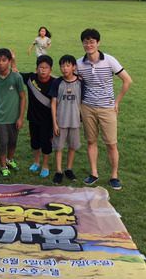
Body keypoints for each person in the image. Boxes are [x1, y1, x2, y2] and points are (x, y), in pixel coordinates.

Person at [77, 28, 132, 190]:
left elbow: (127, 81)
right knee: (91, 142)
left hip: (107, 108)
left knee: (111, 144)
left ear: (98, 43)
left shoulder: (109, 60)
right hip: (87, 107)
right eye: (86, 42)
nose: (89, 45)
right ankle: (94, 173)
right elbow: (70, 80)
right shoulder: (79, 64)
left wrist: (117, 102)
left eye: (92, 42)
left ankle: (114, 176)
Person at [12, 54, 56, 179]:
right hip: (33, 118)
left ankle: (45, 166)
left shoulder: (54, 82)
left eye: (46, 68)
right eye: (41, 67)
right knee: (35, 142)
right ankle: (36, 163)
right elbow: (16, 74)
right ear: (37, 68)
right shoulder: (31, 78)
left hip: (48, 120)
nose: (43, 70)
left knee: (46, 143)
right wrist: (13, 61)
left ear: (50, 70)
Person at [0, 48, 26, 179]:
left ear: (9, 61)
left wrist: (20, 118)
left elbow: (23, 97)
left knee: (12, 142)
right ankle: (3, 167)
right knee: (3, 142)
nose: (1, 63)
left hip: (14, 117)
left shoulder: (17, 77)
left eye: (4, 60)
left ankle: (9, 160)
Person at [49, 55, 83, 185]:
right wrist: (55, 123)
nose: (65, 68)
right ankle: (58, 171)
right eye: (62, 66)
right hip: (61, 122)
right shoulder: (57, 82)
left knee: (72, 146)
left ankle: (69, 169)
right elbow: (53, 103)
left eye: (68, 66)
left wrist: (80, 120)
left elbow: (82, 102)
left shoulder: (80, 82)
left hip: (75, 122)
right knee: (58, 147)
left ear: (74, 67)